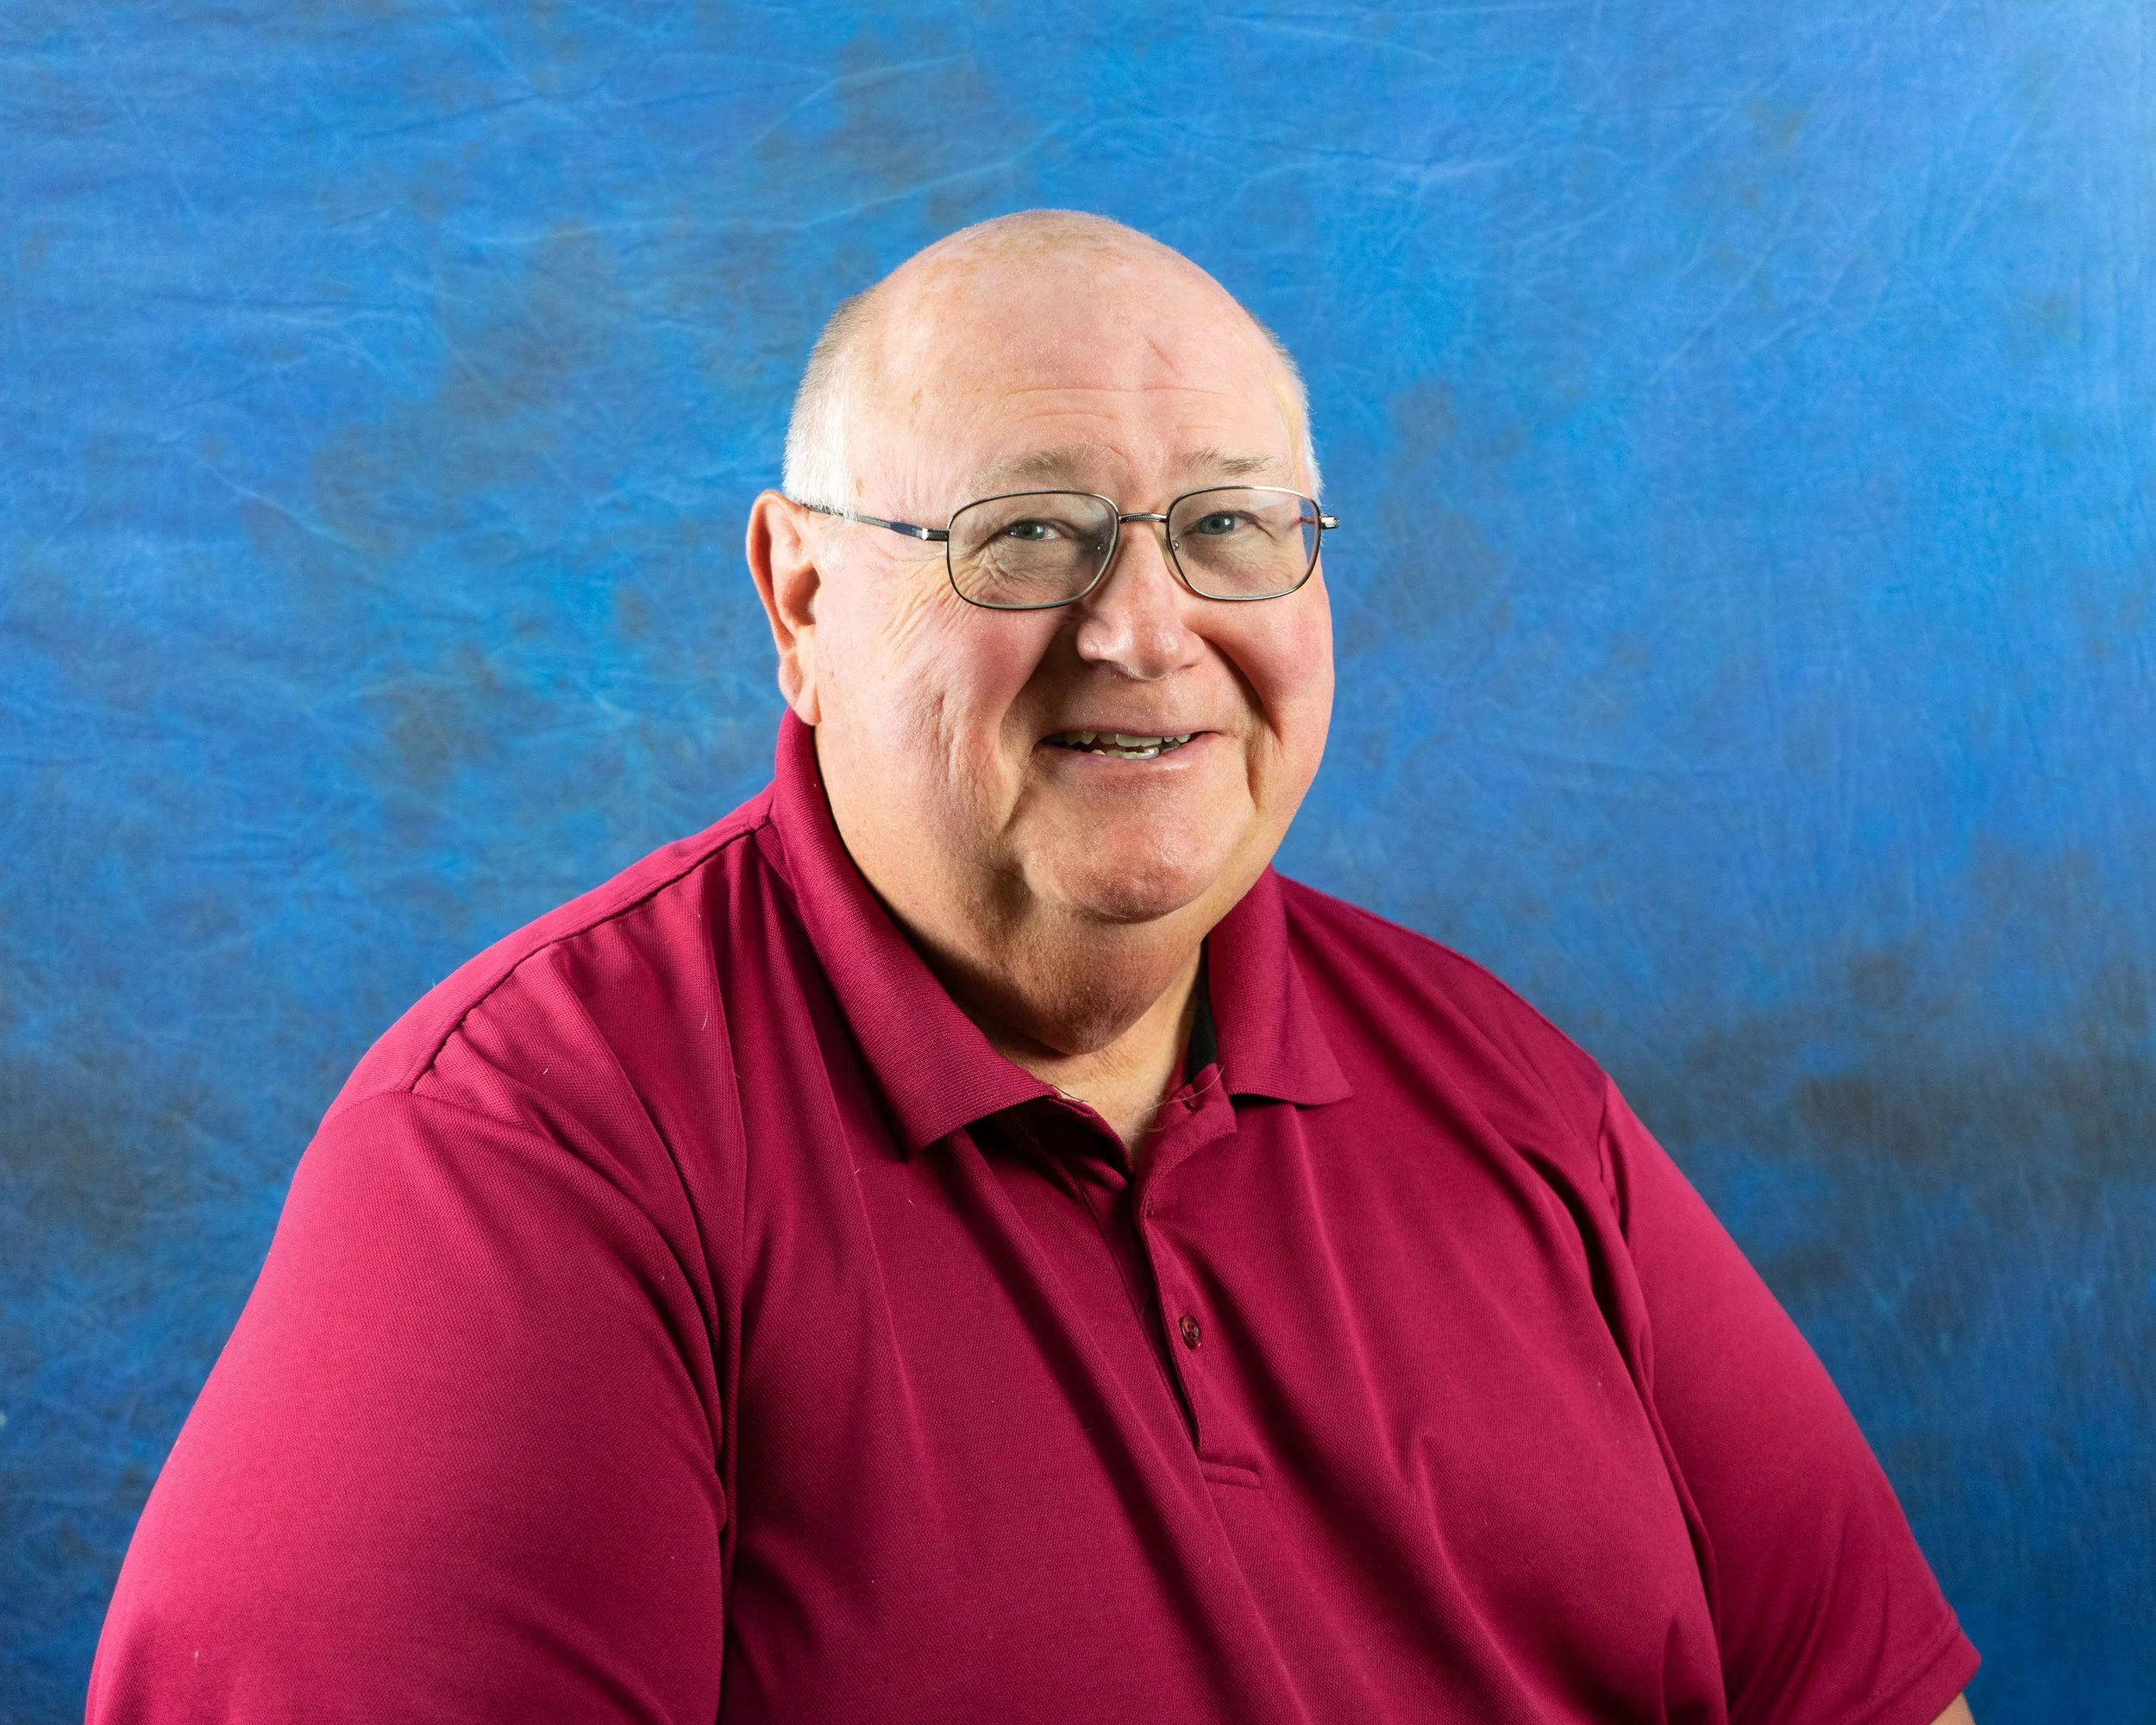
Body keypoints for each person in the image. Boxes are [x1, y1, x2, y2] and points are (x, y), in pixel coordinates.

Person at [87, 211, 1978, 1724]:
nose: (1142, 629)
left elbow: (1866, 1700)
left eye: (1227, 527)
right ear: (799, 600)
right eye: (1028, 536)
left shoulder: (1508, 1095)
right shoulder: (528, 1156)